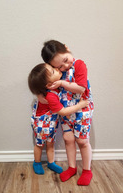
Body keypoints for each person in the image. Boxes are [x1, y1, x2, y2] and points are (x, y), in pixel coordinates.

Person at [41, 40, 94, 186]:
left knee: (82, 141)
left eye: (65, 60)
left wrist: (62, 83)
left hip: (82, 111)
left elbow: (81, 89)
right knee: (68, 139)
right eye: (59, 66)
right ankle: (72, 167)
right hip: (66, 112)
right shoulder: (59, 73)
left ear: (67, 48)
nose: (65, 66)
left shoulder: (78, 65)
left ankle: (87, 170)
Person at [28, 63, 89, 175]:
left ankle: (51, 163)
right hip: (41, 124)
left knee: (51, 144)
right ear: (49, 84)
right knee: (39, 144)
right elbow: (62, 111)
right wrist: (80, 105)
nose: (56, 68)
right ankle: (37, 162)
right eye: (53, 71)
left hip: (51, 123)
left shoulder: (56, 88)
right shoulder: (51, 95)